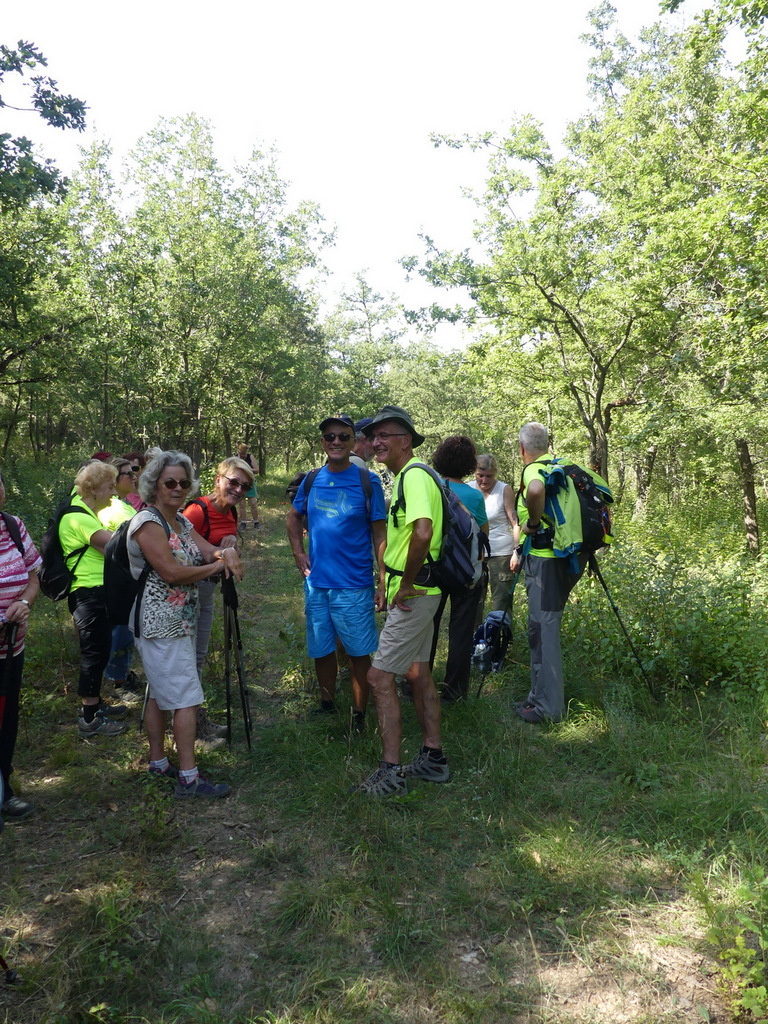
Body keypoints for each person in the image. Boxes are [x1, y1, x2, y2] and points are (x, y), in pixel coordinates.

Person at [126, 450, 244, 798]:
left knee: (161, 693)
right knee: (185, 698)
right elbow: (172, 572)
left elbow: (208, 549)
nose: (177, 488)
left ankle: (159, 762)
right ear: (154, 485)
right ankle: (188, 778)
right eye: (169, 483)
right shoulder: (148, 523)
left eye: (183, 482)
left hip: (179, 620)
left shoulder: (179, 520)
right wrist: (217, 567)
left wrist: (226, 552)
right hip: (160, 623)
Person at [356, 405, 448, 796]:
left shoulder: (413, 476)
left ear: (405, 441)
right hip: (422, 591)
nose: (375, 442)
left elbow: (423, 533)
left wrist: (406, 583)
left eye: (384, 436)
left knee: (378, 678)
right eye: (373, 436)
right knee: (418, 673)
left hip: (416, 593)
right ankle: (433, 758)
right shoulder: (408, 476)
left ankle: (390, 773)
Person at [286, 415, 386, 729]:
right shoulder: (312, 479)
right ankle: (327, 703)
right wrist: (298, 552)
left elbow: (379, 535)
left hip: (354, 585)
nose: (336, 442)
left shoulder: (367, 481)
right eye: (330, 437)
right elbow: (293, 517)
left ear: (353, 440)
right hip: (317, 584)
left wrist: (383, 581)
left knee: (358, 652)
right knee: (322, 648)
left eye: (343, 436)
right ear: (322, 442)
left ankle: (359, 715)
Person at [511, 421, 587, 724]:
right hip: (572, 557)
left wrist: (532, 521)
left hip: (546, 561)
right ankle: (537, 697)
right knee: (541, 628)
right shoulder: (565, 466)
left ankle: (548, 709)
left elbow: (536, 489)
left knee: (545, 633)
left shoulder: (533, 471)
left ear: (522, 448)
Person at [182, 456, 252, 743]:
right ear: (218, 479)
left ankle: (195, 720)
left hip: (209, 591)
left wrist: (233, 543)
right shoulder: (197, 511)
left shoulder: (230, 511)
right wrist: (218, 554)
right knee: (188, 659)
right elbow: (176, 551)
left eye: (245, 486)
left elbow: (228, 539)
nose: (238, 489)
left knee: (197, 658)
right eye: (233, 482)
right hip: (187, 592)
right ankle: (191, 728)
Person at [60, 461, 127, 736]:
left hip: (96, 591)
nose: (114, 492)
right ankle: (89, 718)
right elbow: (114, 545)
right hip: (87, 593)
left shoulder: (87, 512)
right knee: (93, 653)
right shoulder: (77, 516)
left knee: (100, 650)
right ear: (94, 488)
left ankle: (96, 704)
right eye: (110, 486)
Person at [428, 436, 489, 703]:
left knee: (425, 629)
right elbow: (483, 537)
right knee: (461, 631)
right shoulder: (474, 496)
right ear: (468, 465)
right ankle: (453, 692)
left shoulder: (430, 488)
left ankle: (415, 684)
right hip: (464, 574)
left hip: (432, 569)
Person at [0, 469, 41, 822]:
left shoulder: (13, 526)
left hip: (11, 648)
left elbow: (33, 574)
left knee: (6, 718)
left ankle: (4, 790)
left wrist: (24, 603)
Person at [99, 458, 141, 701]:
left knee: (122, 629)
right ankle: (118, 681)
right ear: (114, 482)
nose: (133, 476)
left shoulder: (121, 505)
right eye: (127, 473)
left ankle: (120, 675)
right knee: (122, 630)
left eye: (134, 471)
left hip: (121, 575)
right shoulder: (118, 509)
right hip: (120, 578)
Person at [470, 454, 518, 614]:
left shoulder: (504, 490)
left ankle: (502, 637)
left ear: (495, 473)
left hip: (501, 554)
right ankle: (475, 637)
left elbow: (515, 523)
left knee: (501, 602)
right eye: (480, 475)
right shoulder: (468, 488)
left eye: (489, 476)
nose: (484, 480)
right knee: (474, 601)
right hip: (475, 553)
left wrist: (516, 552)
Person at [235, 443, 260, 530]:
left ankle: (256, 522)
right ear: (238, 451)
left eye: (244, 453)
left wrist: (246, 469)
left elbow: (256, 470)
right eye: (241, 453)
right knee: (241, 503)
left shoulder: (250, 457)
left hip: (250, 482)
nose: (243, 455)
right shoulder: (235, 458)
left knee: (253, 503)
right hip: (240, 483)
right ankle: (243, 522)